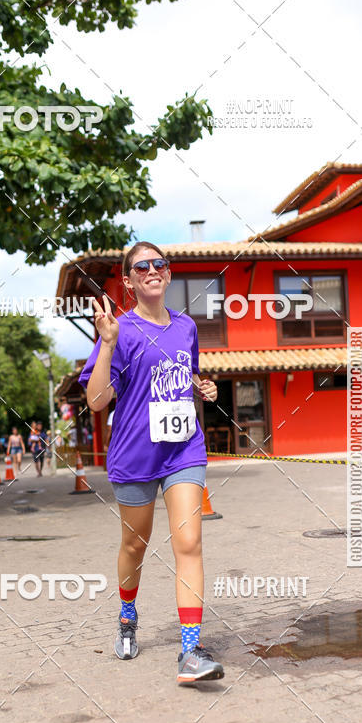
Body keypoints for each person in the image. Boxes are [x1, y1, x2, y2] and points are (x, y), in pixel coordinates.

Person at [79, 241, 224, 685]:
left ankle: (190, 651)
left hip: (183, 451)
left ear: (168, 273)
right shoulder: (118, 330)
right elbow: (97, 401)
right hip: (135, 455)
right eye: (141, 267)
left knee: (190, 543)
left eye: (159, 264)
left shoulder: (186, 327)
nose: (152, 271)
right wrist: (106, 346)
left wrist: (204, 388)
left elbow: (187, 373)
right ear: (128, 281)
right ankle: (127, 617)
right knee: (134, 547)